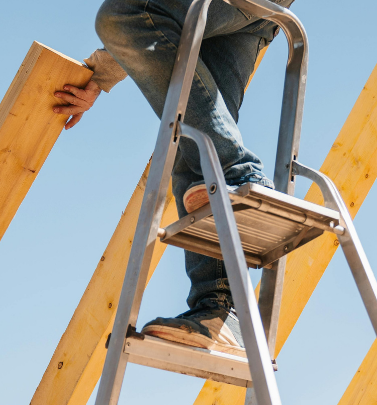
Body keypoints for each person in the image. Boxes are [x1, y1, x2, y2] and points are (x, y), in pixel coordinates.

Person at [54, 0, 292, 351]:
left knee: (123, 14)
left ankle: (240, 175)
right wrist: (100, 76)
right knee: (195, 146)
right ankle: (221, 312)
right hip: (253, 17)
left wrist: (103, 71)